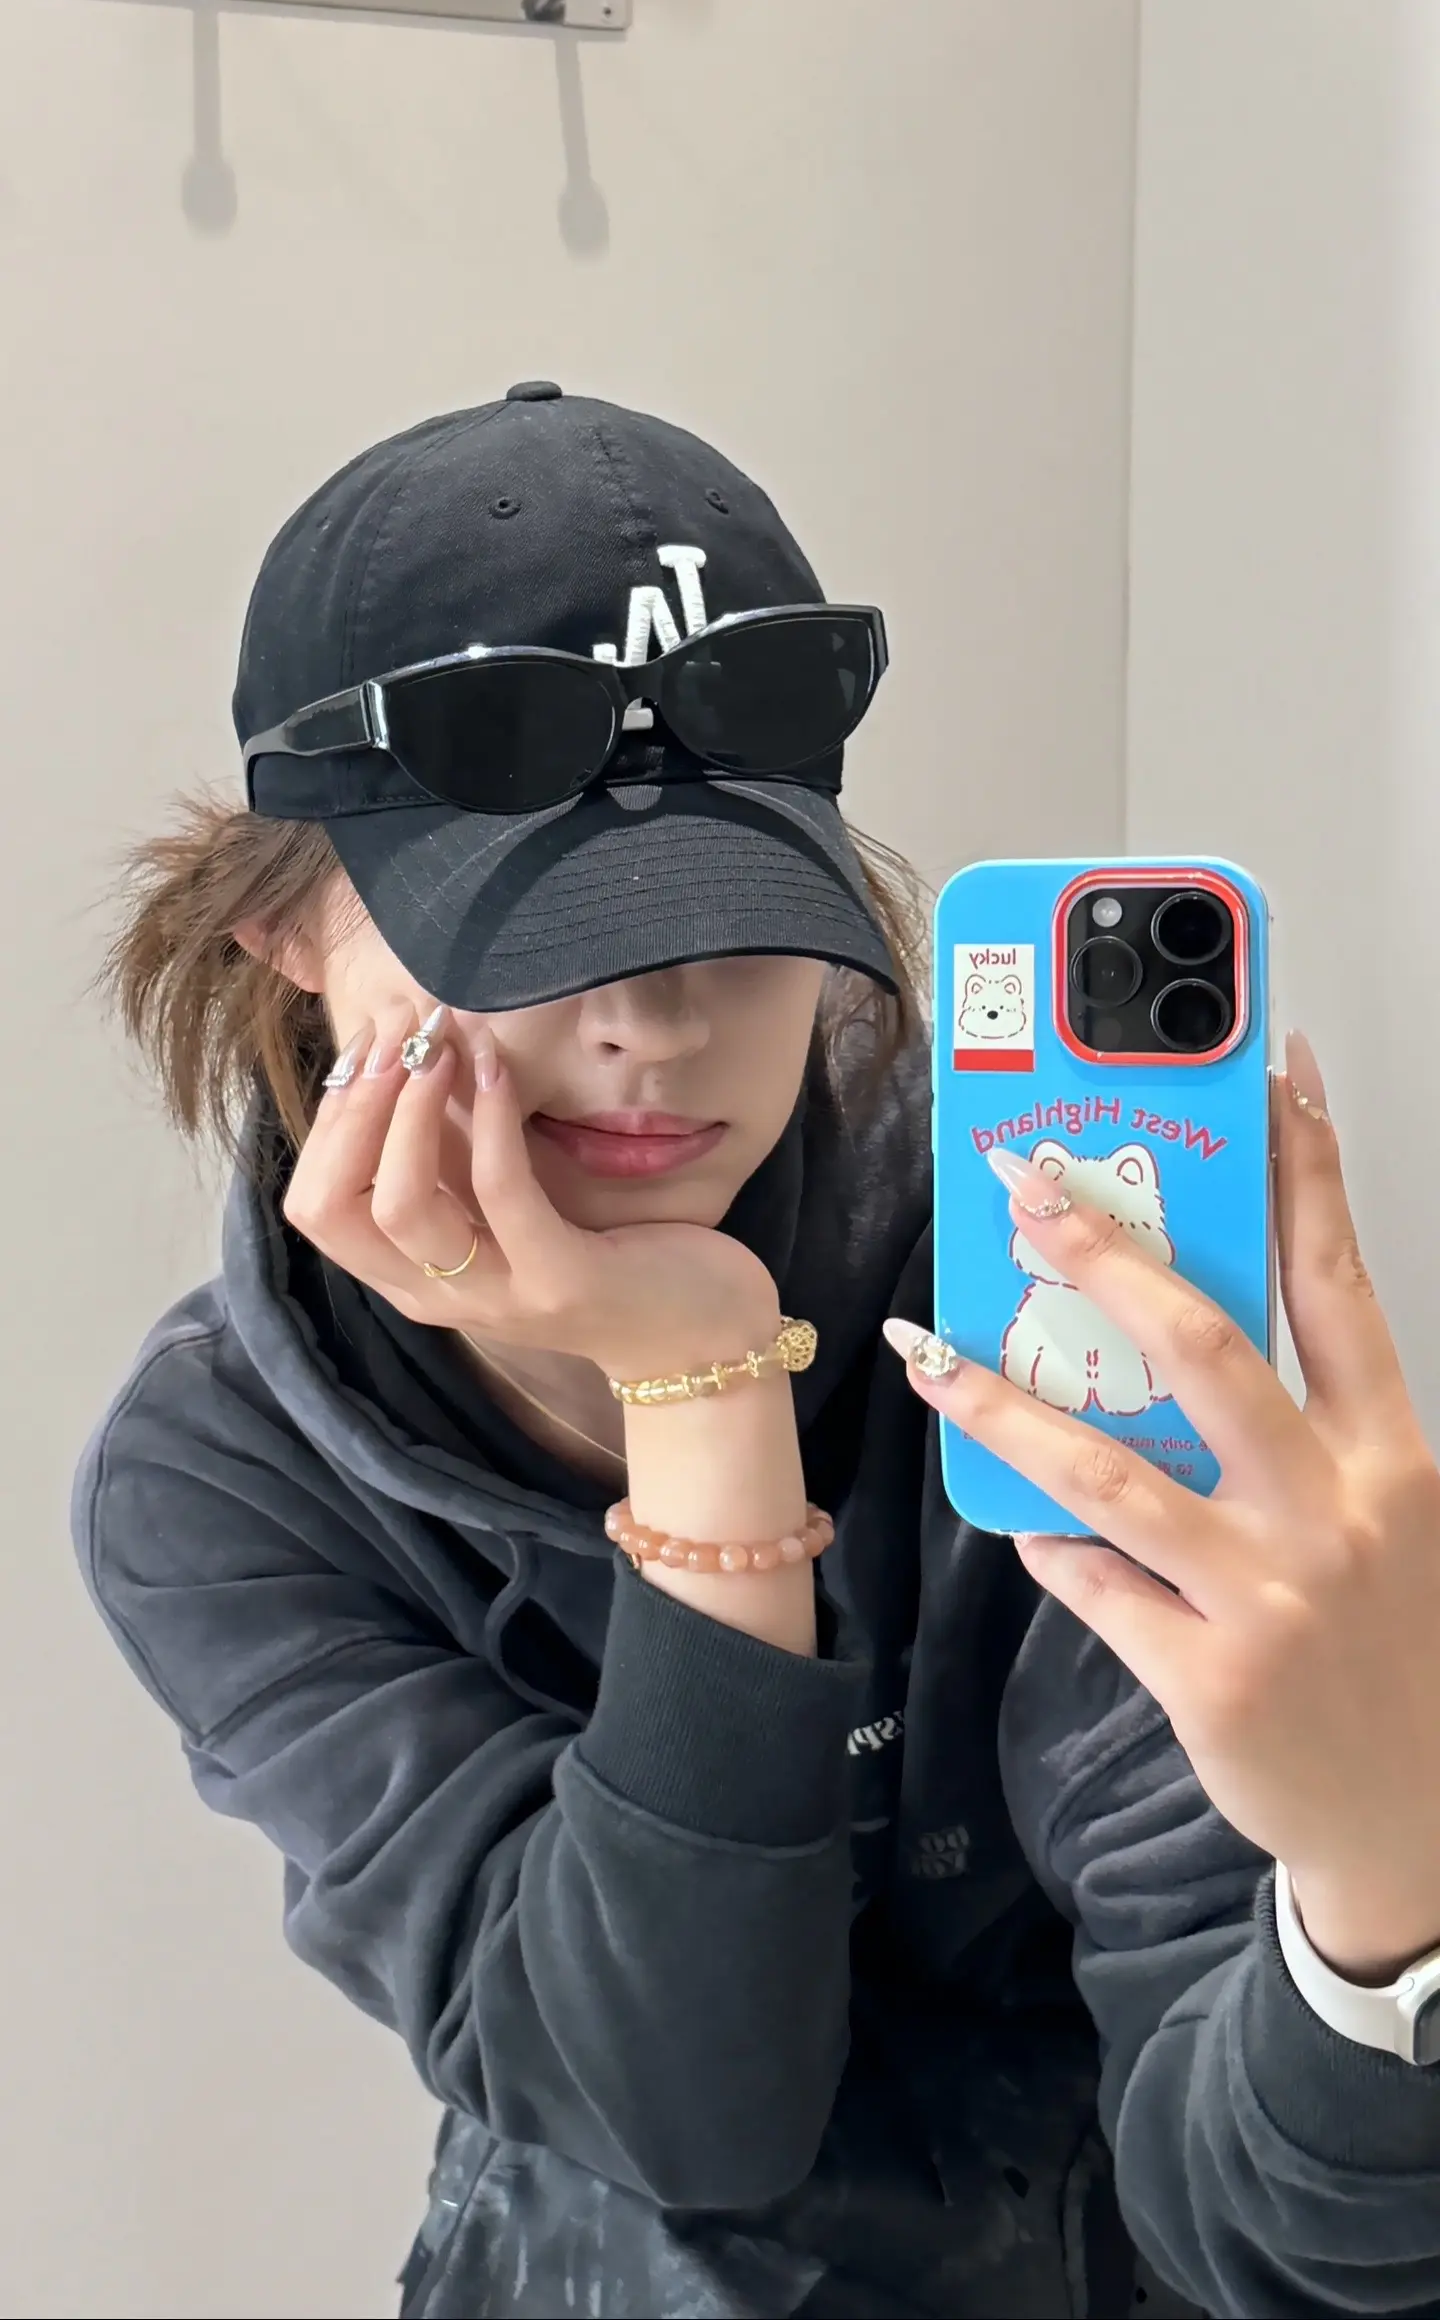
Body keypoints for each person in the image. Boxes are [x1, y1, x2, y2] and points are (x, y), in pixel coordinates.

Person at [75, 385, 1440, 2320]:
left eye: (728, 916)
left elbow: (1281, 2239)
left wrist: (1388, 1896)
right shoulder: (221, 1468)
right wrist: (701, 1396)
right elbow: (684, 2108)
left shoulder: (1035, 1276)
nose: (652, 1023)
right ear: (288, 929)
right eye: (534, 932)